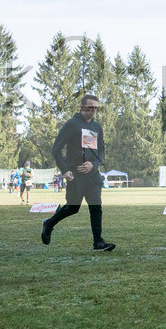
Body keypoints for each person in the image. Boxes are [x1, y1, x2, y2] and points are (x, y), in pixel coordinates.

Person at [41, 94, 115, 252]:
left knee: (96, 205)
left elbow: (101, 152)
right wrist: (65, 170)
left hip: (93, 174)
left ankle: (98, 242)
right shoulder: (72, 124)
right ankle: (49, 224)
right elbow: (56, 149)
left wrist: (94, 165)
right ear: (82, 108)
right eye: (90, 108)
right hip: (75, 174)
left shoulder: (97, 127)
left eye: (96, 108)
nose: (93, 111)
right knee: (73, 207)